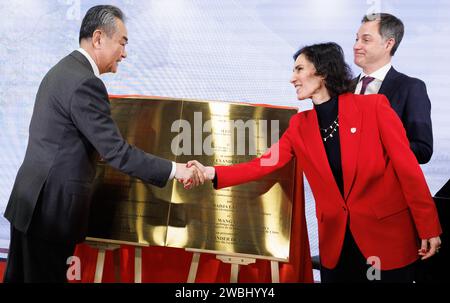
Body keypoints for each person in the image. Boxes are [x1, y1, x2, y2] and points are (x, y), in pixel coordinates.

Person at [189, 42, 442, 282]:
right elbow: (263, 164)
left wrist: (428, 227)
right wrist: (210, 171)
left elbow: (407, 169)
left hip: (386, 241)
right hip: (337, 246)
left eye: (299, 69)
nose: (292, 78)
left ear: (321, 73)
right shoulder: (300, 126)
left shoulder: (374, 107)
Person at [3, 5, 203, 283]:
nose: (125, 53)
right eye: (122, 43)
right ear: (98, 38)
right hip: (50, 213)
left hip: (30, 205)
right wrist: (175, 170)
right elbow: (117, 152)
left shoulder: (60, 70)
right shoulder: (86, 83)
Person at [354, 13, 433, 164]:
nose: (356, 46)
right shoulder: (341, 89)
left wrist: (374, 147)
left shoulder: (411, 88)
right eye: (356, 39)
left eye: (366, 40)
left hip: (385, 185)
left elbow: (423, 150)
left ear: (388, 44)